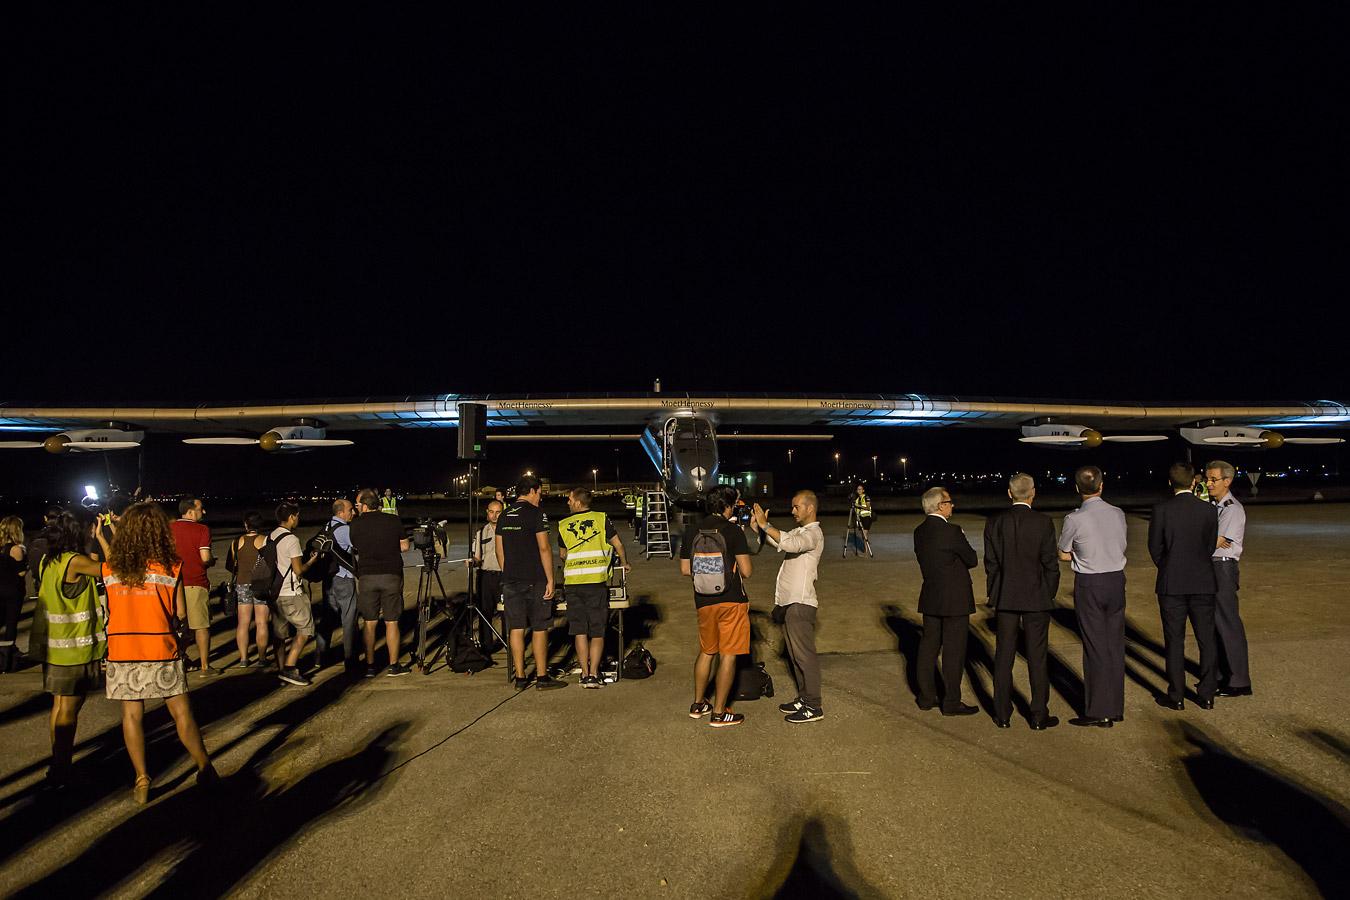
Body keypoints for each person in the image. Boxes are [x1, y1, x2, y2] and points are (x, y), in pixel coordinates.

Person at [101, 502, 216, 803]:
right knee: (181, 712)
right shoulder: (169, 567)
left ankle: (141, 778)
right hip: (160, 645)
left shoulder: (110, 569)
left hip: (123, 647)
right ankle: (204, 765)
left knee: (132, 714)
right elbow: (177, 611)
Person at [28, 510, 106, 785]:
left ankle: (57, 762)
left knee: (59, 706)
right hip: (74, 649)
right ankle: (62, 768)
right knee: (70, 710)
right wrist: (100, 539)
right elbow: (113, 568)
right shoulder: (76, 561)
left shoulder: (50, 561)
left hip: (56, 647)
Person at [983, 474, 1061, 729]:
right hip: (1036, 596)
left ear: (1009, 493)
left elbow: (991, 563)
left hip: (1006, 596)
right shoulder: (1043, 522)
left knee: (1004, 655)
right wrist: (1048, 592)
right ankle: (1038, 713)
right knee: (1037, 656)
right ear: (1033, 493)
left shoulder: (995, 523)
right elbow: (1050, 563)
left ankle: (1002, 713)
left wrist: (996, 592)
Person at [1058, 465, 1128, 728]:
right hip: (1115, 579)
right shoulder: (1118, 513)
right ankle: (1116, 706)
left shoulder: (1074, 519)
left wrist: (1078, 555)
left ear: (1077, 489)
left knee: (1095, 647)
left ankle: (1100, 710)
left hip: (1090, 582)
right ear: (1101, 486)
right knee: (1114, 645)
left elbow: (1063, 552)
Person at [1147, 462, 1220, 710]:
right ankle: (1207, 693)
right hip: (1202, 581)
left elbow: (1154, 547)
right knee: (1206, 639)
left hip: (1172, 583)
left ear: (1170, 483)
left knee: (1174, 641)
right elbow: (1209, 546)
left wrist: (1168, 565)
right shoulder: (1209, 510)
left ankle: (1176, 695)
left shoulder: (1161, 510)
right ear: (1193, 482)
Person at [679, 485, 752, 727]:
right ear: (727, 506)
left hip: (703, 600)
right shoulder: (732, 531)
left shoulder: (692, 531)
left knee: (707, 651)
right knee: (728, 655)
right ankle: (720, 713)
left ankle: (698, 704)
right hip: (731, 600)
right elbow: (747, 571)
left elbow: (685, 569)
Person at [752, 491, 825, 723]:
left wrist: (766, 524)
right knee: (795, 656)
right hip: (788, 603)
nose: (792, 511)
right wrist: (761, 529)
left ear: (809, 508)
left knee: (805, 657)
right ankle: (804, 699)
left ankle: (814, 706)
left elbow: (792, 544)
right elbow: (780, 542)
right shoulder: (801, 531)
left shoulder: (813, 533)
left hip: (800, 603)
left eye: (796, 507)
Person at [495, 476, 566, 690]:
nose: (540, 497)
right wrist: (551, 579)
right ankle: (542, 677)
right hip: (535, 579)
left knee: (516, 628)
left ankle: (520, 676)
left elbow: (500, 550)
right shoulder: (537, 514)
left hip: (510, 580)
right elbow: (544, 548)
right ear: (533, 491)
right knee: (539, 627)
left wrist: (508, 571)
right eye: (539, 493)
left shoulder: (504, 514)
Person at [913, 487, 979, 716]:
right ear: (940, 506)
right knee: (954, 651)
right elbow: (972, 559)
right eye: (949, 502)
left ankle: (926, 696)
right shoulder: (951, 531)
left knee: (928, 647)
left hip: (931, 596)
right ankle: (951, 701)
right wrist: (960, 537)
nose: (952, 505)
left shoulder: (919, 532)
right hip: (955, 599)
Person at [557, 487, 629, 688]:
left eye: (570, 500)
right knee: (597, 631)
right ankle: (594, 675)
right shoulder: (601, 518)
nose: (568, 503)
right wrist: (624, 562)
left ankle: (584, 673)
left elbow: (563, 555)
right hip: (596, 583)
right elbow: (618, 544)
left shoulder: (563, 524)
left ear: (578, 502)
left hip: (572, 584)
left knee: (580, 630)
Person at [349, 488, 412, 677]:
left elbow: (355, 547)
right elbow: (405, 545)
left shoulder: (356, 524)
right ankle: (394, 665)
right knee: (392, 622)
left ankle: (370, 665)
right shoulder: (393, 520)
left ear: (366, 506)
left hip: (367, 576)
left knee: (370, 623)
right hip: (391, 575)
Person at [1205, 460, 1252, 697]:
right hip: (1212, 566)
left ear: (1227, 481)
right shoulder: (1214, 506)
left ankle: (1239, 681)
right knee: (1215, 624)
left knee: (1228, 622)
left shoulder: (1232, 508)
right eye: (1207, 478)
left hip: (1222, 567)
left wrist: (1204, 539)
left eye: (1213, 479)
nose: (1208, 483)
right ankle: (1223, 675)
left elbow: (1215, 542)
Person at [268, 503, 325, 686]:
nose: (298, 519)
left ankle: (280, 669)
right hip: (292, 592)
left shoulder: (271, 536)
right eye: (297, 516)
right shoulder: (291, 540)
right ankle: (290, 667)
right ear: (292, 517)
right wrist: (313, 561)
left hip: (275, 593)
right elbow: (298, 570)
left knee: (279, 634)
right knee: (306, 629)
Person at [170, 496, 218, 676]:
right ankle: (205, 666)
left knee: (178, 626)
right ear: (190, 511)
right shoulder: (202, 530)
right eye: (200, 508)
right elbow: (205, 558)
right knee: (201, 626)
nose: (203, 512)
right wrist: (211, 561)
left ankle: (177, 658)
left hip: (172, 584)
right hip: (195, 582)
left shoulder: (169, 528)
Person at [315, 499, 359, 671]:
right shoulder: (344, 530)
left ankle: (320, 656)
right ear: (341, 512)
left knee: (327, 619)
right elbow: (359, 546)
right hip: (344, 579)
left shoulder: (327, 527)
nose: (353, 513)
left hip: (329, 579)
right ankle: (350, 659)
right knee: (349, 620)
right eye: (350, 510)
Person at [226, 511, 270, 668]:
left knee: (243, 622)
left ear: (246, 524)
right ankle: (262, 657)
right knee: (261, 622)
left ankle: (244, 658)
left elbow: (230, 565)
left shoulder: (236, 542)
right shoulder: (266, 540)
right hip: (261, 584)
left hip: (242, 583)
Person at [472, 500, 505, 651]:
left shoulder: (508, 531)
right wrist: (472, 562)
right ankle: (486, 644)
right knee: (485, 611)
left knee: (506, 611)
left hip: (504, 575)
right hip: (486, 576)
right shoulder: (481, 532)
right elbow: (477, 556)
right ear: (487, 512)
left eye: (498, 512)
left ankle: (507, 642)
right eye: (491, 512)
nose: (494, 515)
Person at [0, 516, 27, 672]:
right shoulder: (16, 549)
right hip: (12, 591)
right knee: (11, 624)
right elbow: (21, 572)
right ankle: (7, 660)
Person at [851, 483, 874, 549]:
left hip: (867, 517)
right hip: (860, 518)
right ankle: (866, 548)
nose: (859, 490)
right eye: (858, 489)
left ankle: (867, 548)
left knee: (864, 534)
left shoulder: (866, 497)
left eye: (860, 489)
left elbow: (868, 507)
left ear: (863, 490)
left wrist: (859, 506)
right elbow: (856, 510)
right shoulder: (857, 499)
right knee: (862, 535)